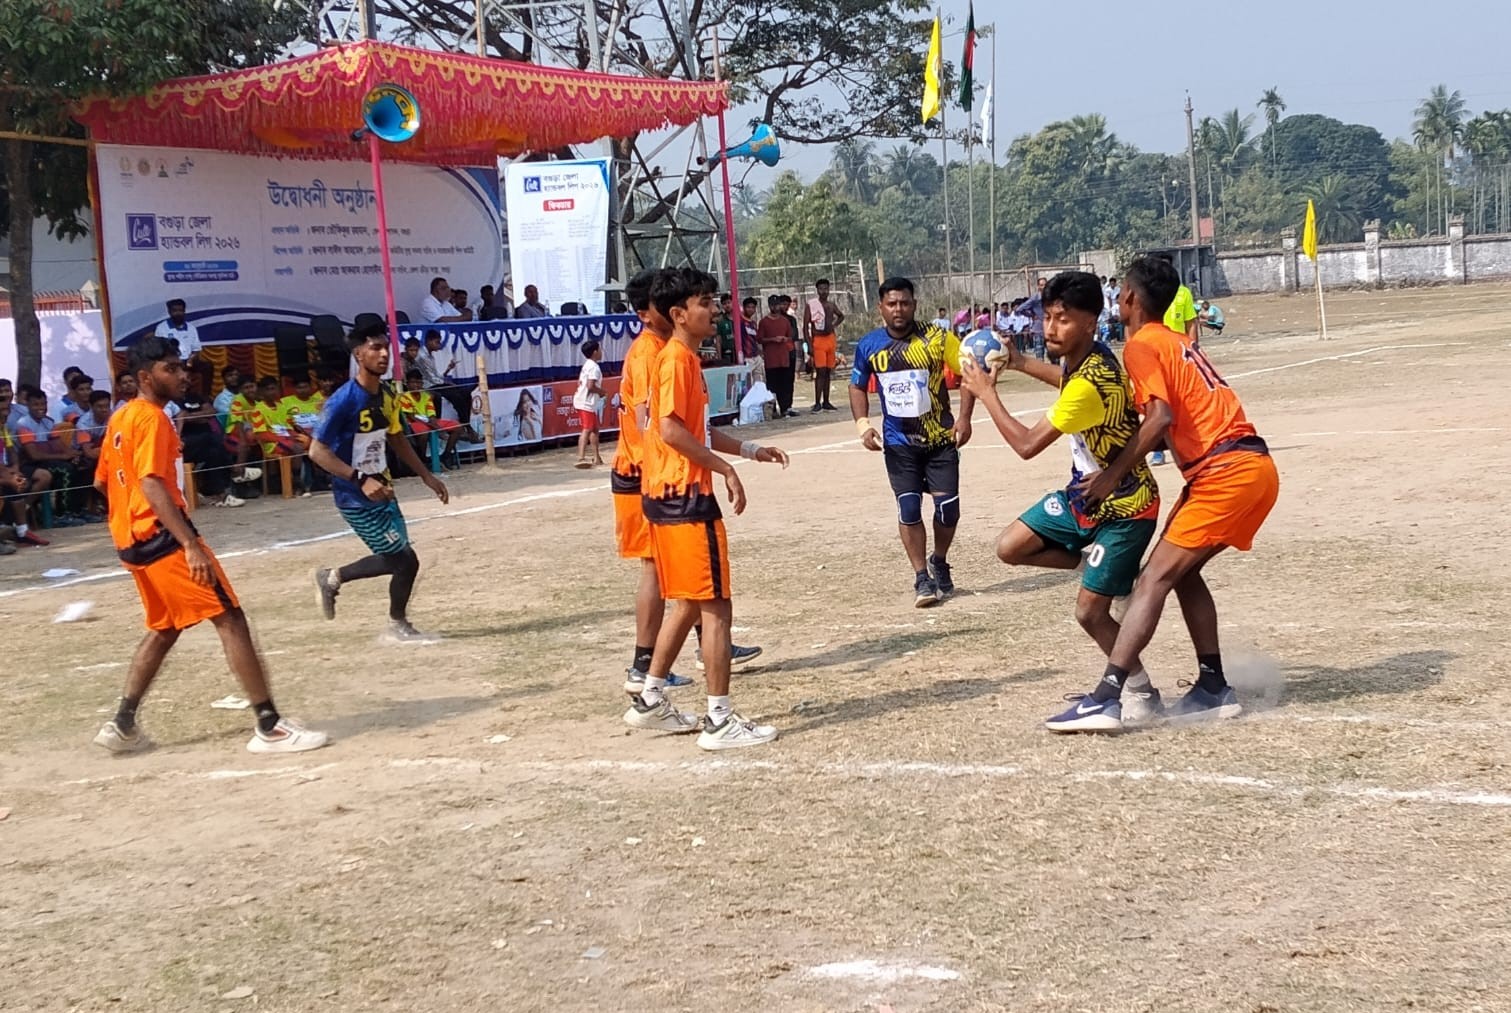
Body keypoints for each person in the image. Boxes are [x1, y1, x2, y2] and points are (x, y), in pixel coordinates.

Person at [1047, 255, 1280, 732]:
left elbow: (1160, 419)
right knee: (1183, 573)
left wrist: (1112, 475)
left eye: (1120, 292)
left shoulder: (1141, 345)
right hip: (1253, 466)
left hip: (1224, 471)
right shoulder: (1175, 340)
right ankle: (1213, 686)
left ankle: (1108, 696)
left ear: (1129, 298)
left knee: (1153, 578)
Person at [90, 335, 328, 754]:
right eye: (170, 368)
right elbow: (150, 482)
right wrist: (189, 543)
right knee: (229, 618)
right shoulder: (152, 418)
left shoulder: (120, 418)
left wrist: (128, 525)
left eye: (181, 366)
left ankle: (122, 724)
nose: (182, 374)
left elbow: (101, 481)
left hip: (132, 541)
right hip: (162, 536)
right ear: (145, 377)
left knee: (165, 628)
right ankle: (269, 725)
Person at [956, 271, 1164, 726]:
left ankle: (1141, 691)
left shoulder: (1090, 384)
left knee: (1090, 613)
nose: (1051, 328)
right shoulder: (1085, 357)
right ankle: (1090, 561)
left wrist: (987, 394)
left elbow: (1027, 445)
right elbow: (1062, 376)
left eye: (1064, 319)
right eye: (1048, 317)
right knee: (1010, 547)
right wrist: (1017, 360)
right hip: (1084, 496)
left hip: (1126, 508)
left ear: (1092, 322)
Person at [623, 267, 789, 750]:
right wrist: (724, 470)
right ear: (679, 314)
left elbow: (695, 428)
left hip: (667, 496)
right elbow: (672, 431)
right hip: (683, 498)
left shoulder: (683, 361)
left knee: (690, 601)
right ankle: (719, 720)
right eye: (705, 302)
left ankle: (650, 698)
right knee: (716, 605)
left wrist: (750, 449)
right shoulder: (674, 360)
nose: (714, 309)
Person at [309, 324, 451, 644]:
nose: (384, 353)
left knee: (404, 561)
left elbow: (396, 436)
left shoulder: (388, 393)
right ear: (358, 354)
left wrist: (426, 475)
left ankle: (392, 619)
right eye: (375, 348)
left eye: (386, 347)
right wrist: (359, 479)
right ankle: (336, 580)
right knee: (402, 559)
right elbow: (317, 451)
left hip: (384, 489)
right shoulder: (343, 400)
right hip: (355, 495)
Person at [850, 277, 974, 607]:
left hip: (940, 439)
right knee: (908, 508)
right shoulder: (869, 345)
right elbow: (857, 385)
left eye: (904, 303)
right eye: (892, 304)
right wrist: (863, 425)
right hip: (898, 442)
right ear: (881, 308)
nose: (898, 309)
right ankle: (921, 577)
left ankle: (939, 559)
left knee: (948, 510)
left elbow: (967, 373)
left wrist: (964, 417)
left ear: (914, 305)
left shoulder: (937, 338)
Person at [417, 329, 479, 443]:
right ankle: (467, 427)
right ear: (429, 341)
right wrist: (446, 382)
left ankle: (466, 424)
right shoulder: (422, 356)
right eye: (437, 342)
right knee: (456, 396)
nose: (439, 345)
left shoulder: (430, 356)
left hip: (436, 383)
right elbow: (432, 379)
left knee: (465, 394)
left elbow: (434, 375)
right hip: (429, 386)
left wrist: (447, 371)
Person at [0, 411, 52, 547]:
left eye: (5, 417)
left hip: (5, 469)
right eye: (2, 417)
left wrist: (14, 473)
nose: (4, 420)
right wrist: (9, 479)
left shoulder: (2, 430)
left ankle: (22, 531)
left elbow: (10, 453)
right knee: (10, 484)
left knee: (17, 484)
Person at [397, 367, 461, 469]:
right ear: (407, 384)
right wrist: (430, 424)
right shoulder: (404, 397)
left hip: (427, 421)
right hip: (413, 423)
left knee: (457, 427)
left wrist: (433, 421)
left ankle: (446, 455)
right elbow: (411, 416)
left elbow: (431, 413)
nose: (416, 385)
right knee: (424, 432)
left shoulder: (426, 396)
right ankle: (422, 459)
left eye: (418, 383)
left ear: (422, 384)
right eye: (413, 383)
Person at [804, 278, 846, 413]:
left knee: (828, 371)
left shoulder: (831, 305)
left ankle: (826, 401)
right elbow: (805, 326)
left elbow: (841, 316)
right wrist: (809, 344)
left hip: (830, 339)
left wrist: (833, 325)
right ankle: (817, 402)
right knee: (820, 371)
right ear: (817, 290)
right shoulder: (811, 305)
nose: (824, 291)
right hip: (818, 340)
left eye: (826, 289)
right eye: (821, 289)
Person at [153, 298, 211, 393]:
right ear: (169, 312)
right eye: (174, 311)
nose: (178, 313)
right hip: (171, 361)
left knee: (207, 366)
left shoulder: (191, 328)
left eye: (180, 310)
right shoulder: (162, 328)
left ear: (184, 311)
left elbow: (196, 350)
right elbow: (159, 350)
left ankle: (205, 396)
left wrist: (190, 360)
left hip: (188, 360)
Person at [758, 295, 798, 418]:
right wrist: (772, 339)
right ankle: (773, 409)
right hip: (771, 359)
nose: (775, 307)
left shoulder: (785, 321)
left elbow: (790, 336)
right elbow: (760, 339)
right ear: (769, 306)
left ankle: (785, 408)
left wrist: (784, 339)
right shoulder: (764, 322)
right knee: (772, 385)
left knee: (785, 384)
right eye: (773, 305)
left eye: (777, 305)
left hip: (783, 357)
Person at [573, 339, 606, 468]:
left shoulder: (587, 365)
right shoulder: (594, 367)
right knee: (587, 429)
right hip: (586, 402)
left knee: (594, 429)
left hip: (585, 401)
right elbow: (591, 386)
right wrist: (602, 392)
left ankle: (597, 457)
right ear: (595, 352)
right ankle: (581, 457)